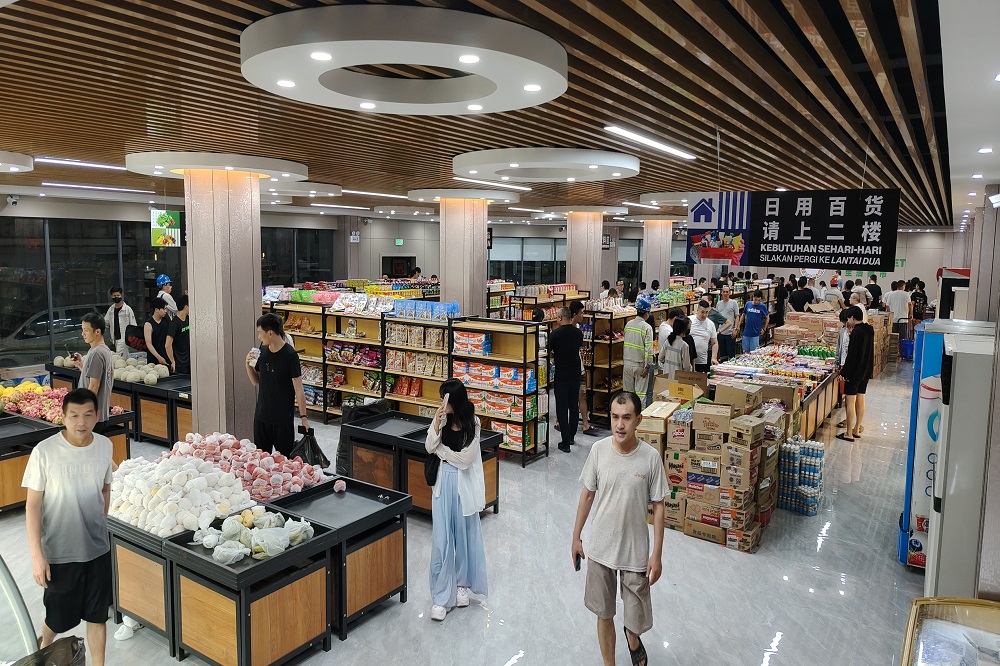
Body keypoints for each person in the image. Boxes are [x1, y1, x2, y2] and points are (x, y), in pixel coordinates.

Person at [572, 391, 667, 666]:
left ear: (638, 420)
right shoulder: (599, 450)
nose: (620, 425)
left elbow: (659, 505)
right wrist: (576, 537)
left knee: (636, 620)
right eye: (615, 417)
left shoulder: (650, 458)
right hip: (601, 547)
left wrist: (657, 554)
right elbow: (587, 495)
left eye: (626, 418)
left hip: (635, 551)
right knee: (604, 614)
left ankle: (632, 636)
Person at [23, 388, 114, 666]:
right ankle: (43, 647)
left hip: (98, 550)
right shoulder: (44, 452)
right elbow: (33, 505)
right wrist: (37, 556)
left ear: (97, 415)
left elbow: (106, 488)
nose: (81, 422)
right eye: (74, 415)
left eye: (87, 415)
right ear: (62, 417)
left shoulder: (104, 446)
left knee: (98, 616)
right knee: (58, 618)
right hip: (60, 553)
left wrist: (100, 520)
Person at [425, 380, 488, 622]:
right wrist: (437, 424)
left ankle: (462, 584)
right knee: (441, 540)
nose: (442, 402)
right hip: (442, 484)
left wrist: (442, 453)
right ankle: (441, 596)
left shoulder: (473, 422)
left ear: (455, 400)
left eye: (446, 398)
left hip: (463, 486)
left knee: (463, 536)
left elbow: (466, 460)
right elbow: (429, 445)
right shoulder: (441, 418)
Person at [245, 313, 310, 457]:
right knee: (261, 460)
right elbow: (256, 381)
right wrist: (248, 365)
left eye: (260, 332)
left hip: (282, 420)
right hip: (261, 417)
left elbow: (298, 389)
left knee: (284, 461)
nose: (259, 337)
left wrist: (304, 417)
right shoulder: (262, 350)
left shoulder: (290, 355)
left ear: (270, 333)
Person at [70, 313, 114, 431]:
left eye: (86, 330)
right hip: (98, 415)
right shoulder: (104, 350)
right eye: (82, 330)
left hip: (92, 418)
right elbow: (94, 377)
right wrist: (81, 365)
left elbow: (94, 385)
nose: (82, 334)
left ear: (97, 332)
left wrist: (82, 411)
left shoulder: (96, 353)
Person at [549, 307, 583, 452]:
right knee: (573, 405)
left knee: (562, 408)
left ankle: (565, 441)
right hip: (575, 373)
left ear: (561, 317)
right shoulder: (578, 333)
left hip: (561, 374)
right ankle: (571, 437)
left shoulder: (555, 334)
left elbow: (549, 351)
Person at [838, 306, 873, 442]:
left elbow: (852, 356)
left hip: (854, 372)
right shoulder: (869, 329)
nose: (848, 322)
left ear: (853, 318)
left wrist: (844, 372)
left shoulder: (856, 333)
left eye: (848, 319)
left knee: (850, 401)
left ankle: (848, 433)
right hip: (866, 371)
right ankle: (856, 429)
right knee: (861, 399)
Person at [570, 300, 596, 435]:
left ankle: (586, 424)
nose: (583, 315)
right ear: (574, 314)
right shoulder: (567, 330)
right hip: (569, 370)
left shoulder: (578, 328)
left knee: (582, 395)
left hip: (579, 368)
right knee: (568, 398)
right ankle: (560, 422)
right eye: (581, 313)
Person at [621, 298, 654, 403]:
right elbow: (649, 350)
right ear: (647, 313)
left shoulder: (628, 324)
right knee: (640, 397)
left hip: (627, 364)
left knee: (627, 396)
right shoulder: (647, 327)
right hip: (640, 366)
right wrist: (647, 367)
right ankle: (639, 414)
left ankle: (627, 413)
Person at [104, 286, 136, 355]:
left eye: (118, 295)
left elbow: (133, 325)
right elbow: (106, 322)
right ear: (111, 296)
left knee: (119, 357)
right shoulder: (111, 309)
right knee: (123, 357)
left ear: (121, 295)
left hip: (124, 339)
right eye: (114, 295)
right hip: (114, 339)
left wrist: (131, 338)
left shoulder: (127, 309)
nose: (116, 297)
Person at [689, 300, 719, 373]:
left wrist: (714, 358)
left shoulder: (710, 324)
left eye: (707, 312)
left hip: (702, 361)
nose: (704, 315)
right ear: (697, 310)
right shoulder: (689, 320)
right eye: (702, 312)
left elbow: (714, 343)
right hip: (688, 360)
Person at [166, 294, 191, 375]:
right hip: (179, 362)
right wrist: (173, 361)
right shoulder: (174, 323)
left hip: (190, 360)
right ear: (186, 307)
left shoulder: (189, 319)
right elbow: (167, 345)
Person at [714, 285, 740, 361]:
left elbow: (737, 316)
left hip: (730, 333)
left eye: (727, 292)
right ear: (721, 293)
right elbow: (717, 317)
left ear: (729, 293)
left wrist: (735, 329)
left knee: (731, 355)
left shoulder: (734, 303)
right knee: (722, 355)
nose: (725, 293)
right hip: (720, 333)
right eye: (724, 292)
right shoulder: (718, 303)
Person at [143, 297, 171, 366]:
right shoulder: (148, 324)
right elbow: (149, 344)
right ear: (156, 310)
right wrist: (159, 357)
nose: (165, 311)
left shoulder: (167, 320)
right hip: (154, 359)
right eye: (164, 309)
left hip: (166, 356)